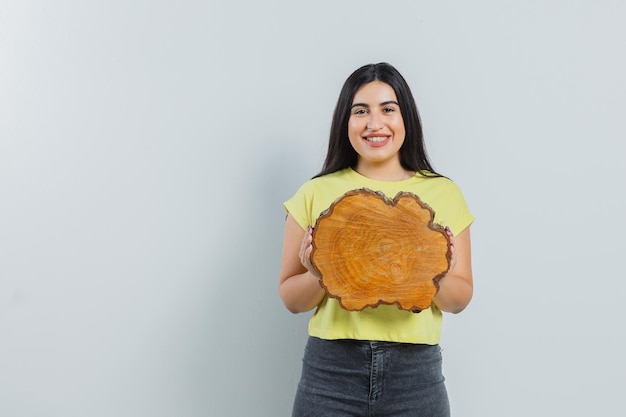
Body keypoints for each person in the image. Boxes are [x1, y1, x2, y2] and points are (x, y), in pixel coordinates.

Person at [279, 62, 474, 417]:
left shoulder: (444, 193)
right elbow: (291, 299)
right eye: (360, 111)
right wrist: (319, 273)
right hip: (330, 372)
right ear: (345, 121)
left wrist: (437, 271)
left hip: (415, 376)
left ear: (406, 118)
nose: (374, 123)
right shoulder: (314, 192)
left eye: (388, 109)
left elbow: (459, 300)